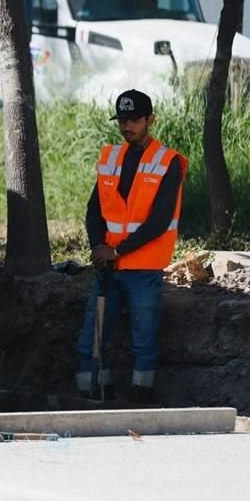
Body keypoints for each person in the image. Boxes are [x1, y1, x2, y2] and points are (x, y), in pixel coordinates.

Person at [74, 89, 187, 406]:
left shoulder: (168, 162)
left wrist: (116, 250)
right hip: (108, 268)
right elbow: (94, 210)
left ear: (150, 120)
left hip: (143, 269)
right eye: (123, 120)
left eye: (134, 120)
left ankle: (140, 402)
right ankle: (93, 400)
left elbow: (160, 220)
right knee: (92, 342)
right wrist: (98, 246)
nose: (128, 126)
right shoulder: (111, 158)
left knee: (143, 342)